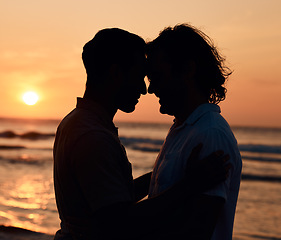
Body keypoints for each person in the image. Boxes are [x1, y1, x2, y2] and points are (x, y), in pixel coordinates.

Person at [53, 28, 230, 240]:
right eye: (140, 77)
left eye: (154, 77)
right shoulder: (93, 136)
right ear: (116, 73)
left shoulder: (79, 123)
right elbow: (120, 221)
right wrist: (187, 185)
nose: (146, 89)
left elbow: (114, 197)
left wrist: (176, 179)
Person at [146, 24, 242, 240]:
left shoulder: (210, 134)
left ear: (188, 70)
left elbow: (198, 231)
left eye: (157, 77)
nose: (151, 89)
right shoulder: (182, 129)